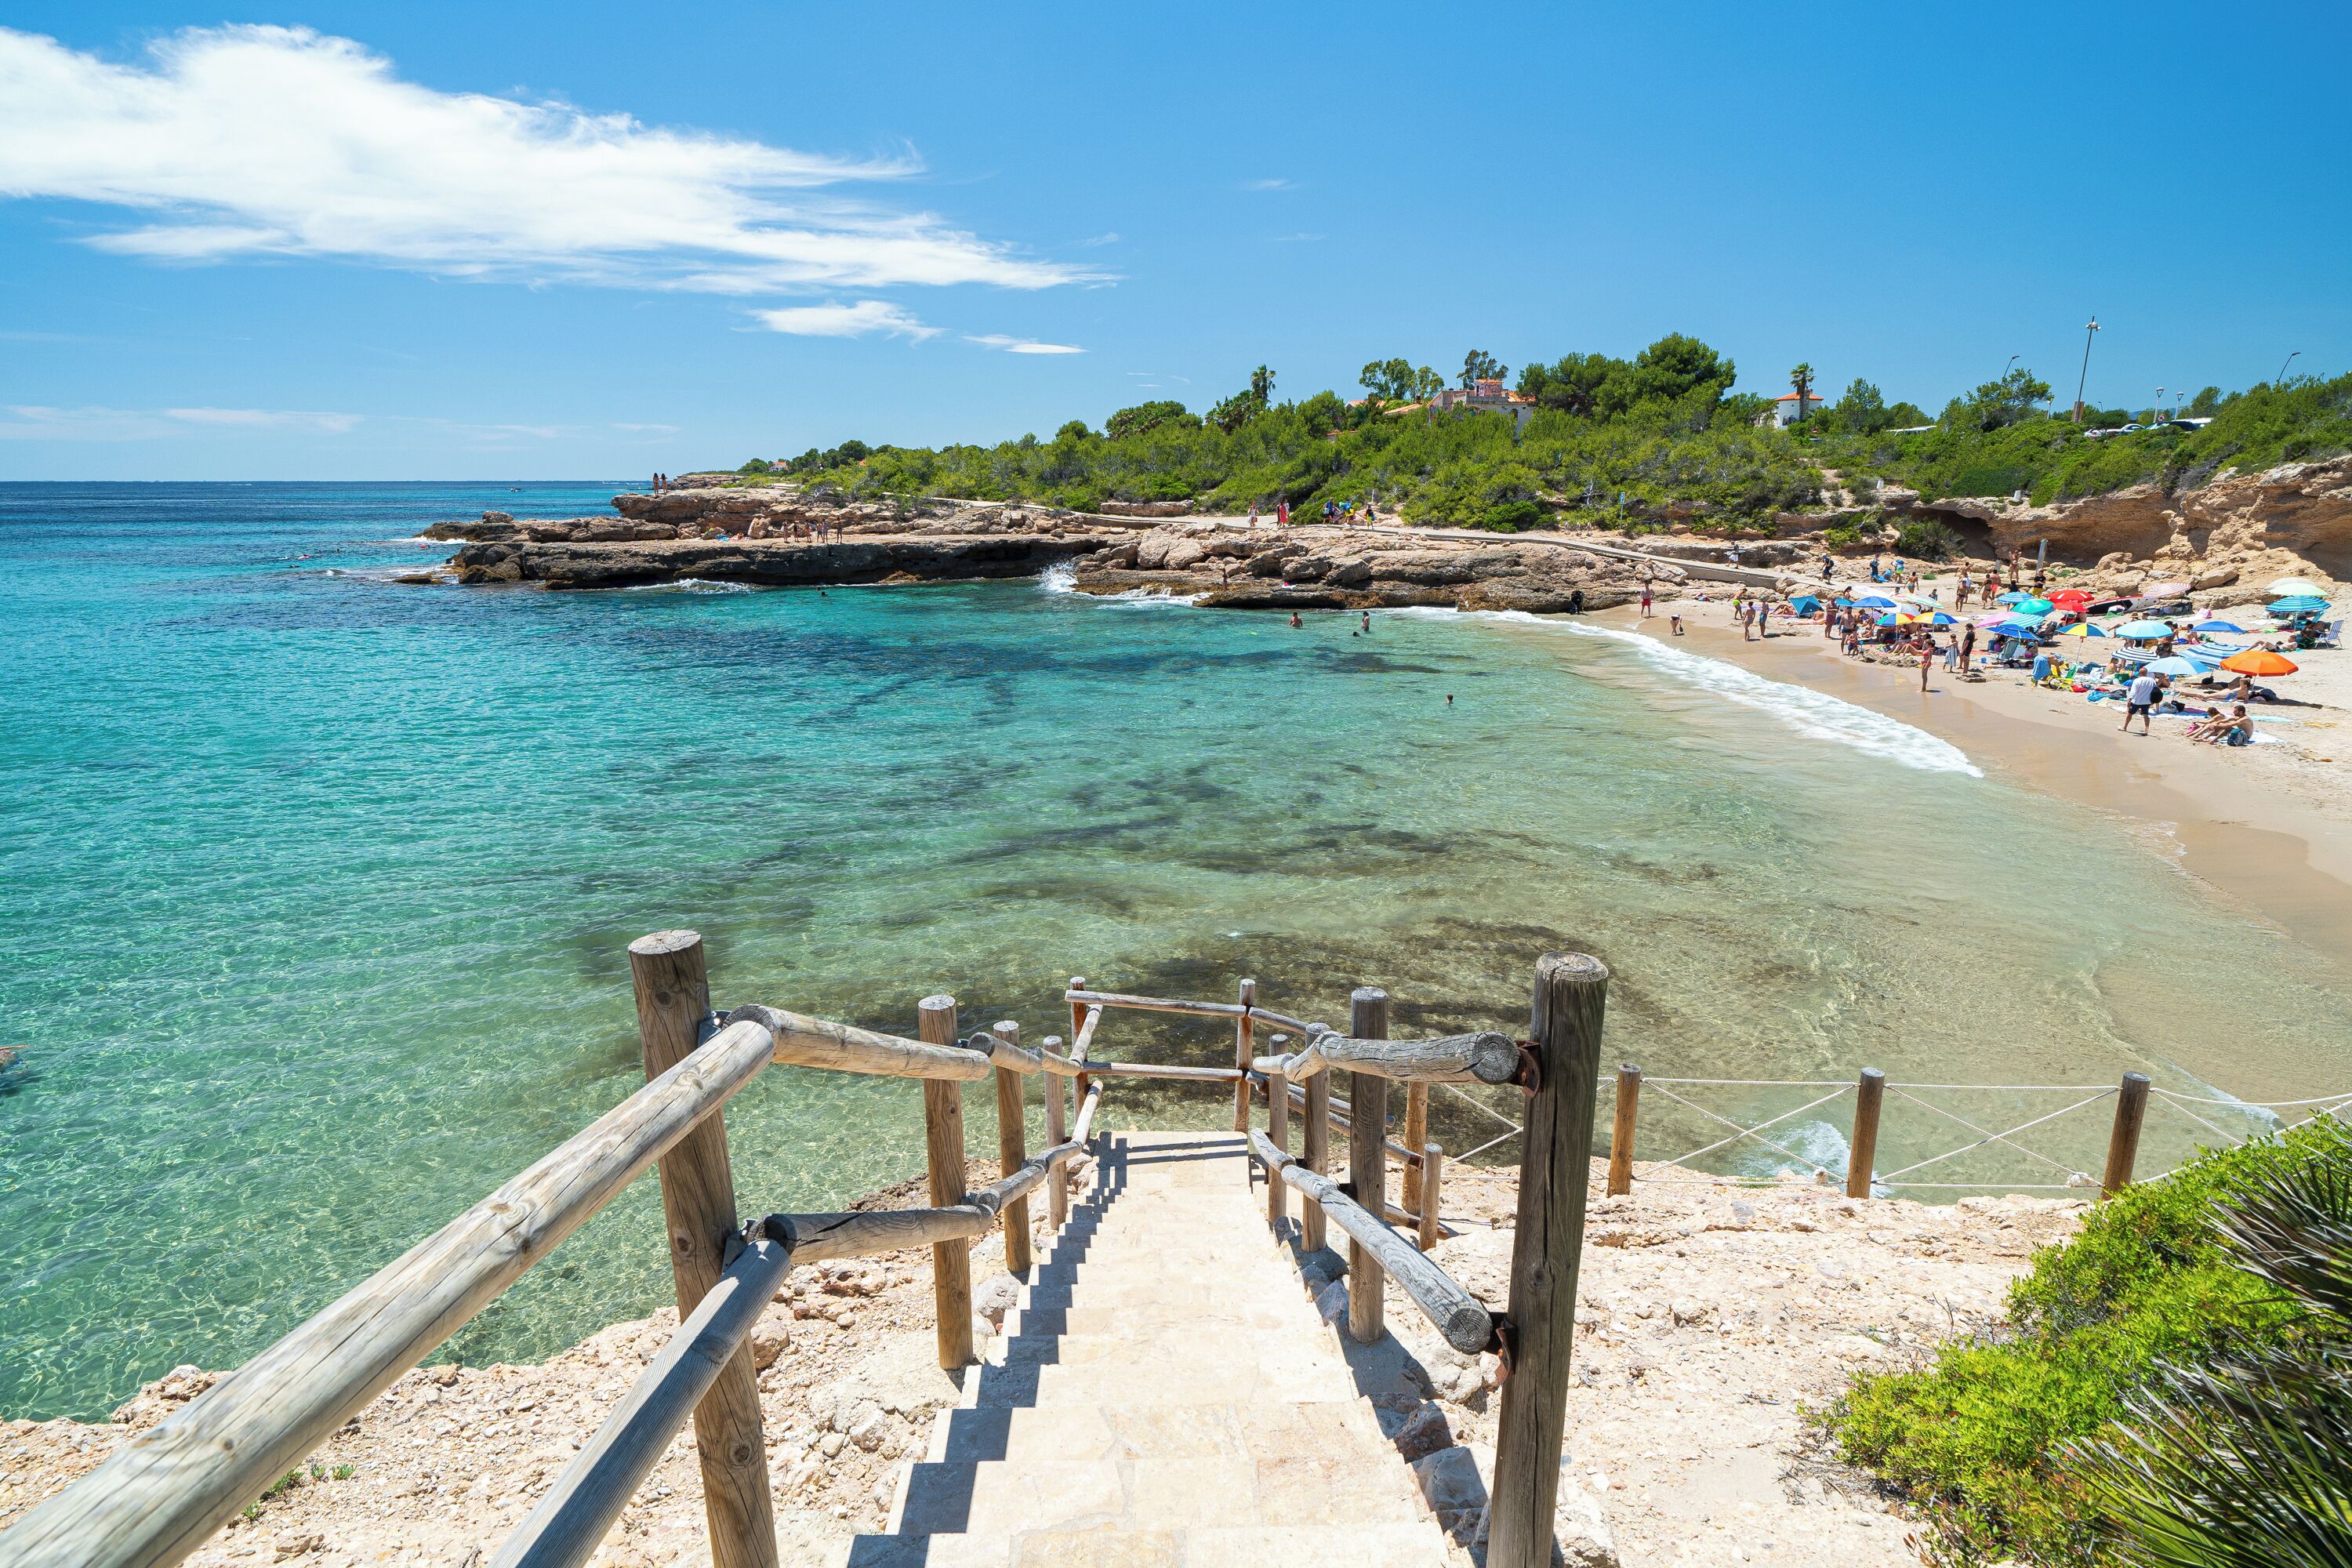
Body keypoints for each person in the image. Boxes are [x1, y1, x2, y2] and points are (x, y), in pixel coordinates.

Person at [2122, 670, 2161, 735]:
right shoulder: (2152, 680)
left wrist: (2130, 699)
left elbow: (2134, 691)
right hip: (2147, 701)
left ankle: (2125, 727)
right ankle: (2146, 730)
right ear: (2146, 673)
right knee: (2146, 715)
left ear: (2139, 673)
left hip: (2137, 701)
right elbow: (2155, 689)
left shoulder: (2137, 680)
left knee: (2130, 714)